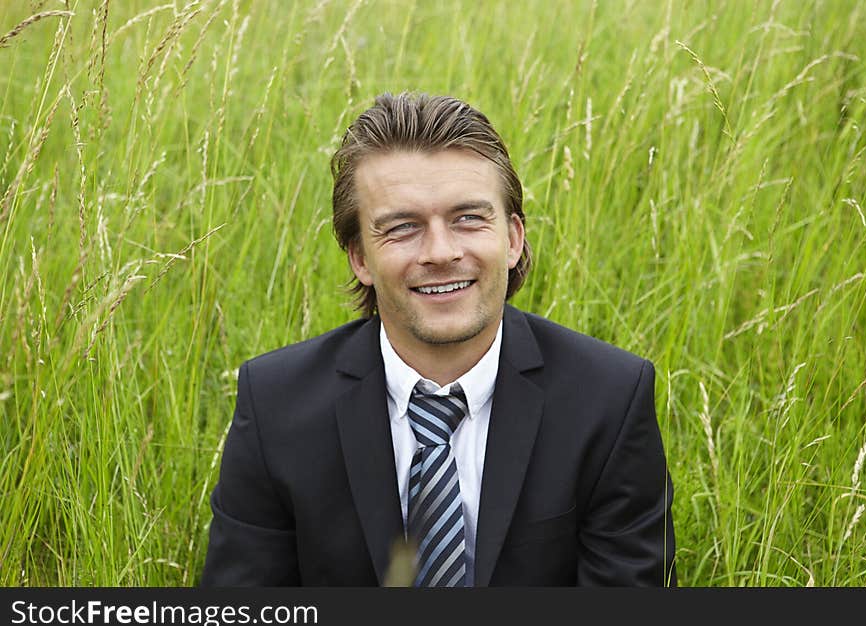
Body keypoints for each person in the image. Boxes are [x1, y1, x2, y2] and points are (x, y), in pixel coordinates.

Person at [200, 92, 676, 587]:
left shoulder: (610, 399)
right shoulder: (276, 403)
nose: (441, 252)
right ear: (359, 257)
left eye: (468, 218)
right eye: (403, 228)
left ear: (512, 239)